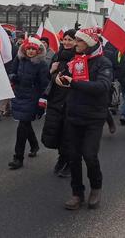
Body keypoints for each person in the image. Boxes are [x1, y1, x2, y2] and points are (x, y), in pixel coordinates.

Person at [60, 28, 113, 210]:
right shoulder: (74, 60)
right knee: (73, 157)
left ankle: (96, 188)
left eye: (79, 41)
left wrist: (74, 83)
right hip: (74, 114)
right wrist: (58, 77)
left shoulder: (103, 63)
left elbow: (102, 86)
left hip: (94, 117)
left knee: (89, 155)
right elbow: (60, 75)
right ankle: (77, 193)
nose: (75, 44)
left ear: (89, 43)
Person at [8, 37, 50, 170]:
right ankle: (34, 144)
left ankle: (18, 157)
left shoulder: (42, 64)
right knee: (24, 122)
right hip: (19, 95)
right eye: (29, 48)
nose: (31, 51)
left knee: (22, 125)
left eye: (34, 49)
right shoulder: (19, 58)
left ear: (38, 50)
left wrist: (42, 102)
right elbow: (12, 72)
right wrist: (13, 77)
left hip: (32, 97)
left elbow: (45, 84)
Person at [41, 29, 76, 178]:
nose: (67, 42)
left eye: (70, 40)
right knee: (56, 131)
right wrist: (51, 71)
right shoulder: (58, 55)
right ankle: (62, 157)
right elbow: (50, 78)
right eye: (65, 39)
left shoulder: (79, 57)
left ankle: (69, 161)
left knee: (69, 133)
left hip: (71, 100)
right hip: (56, 99)